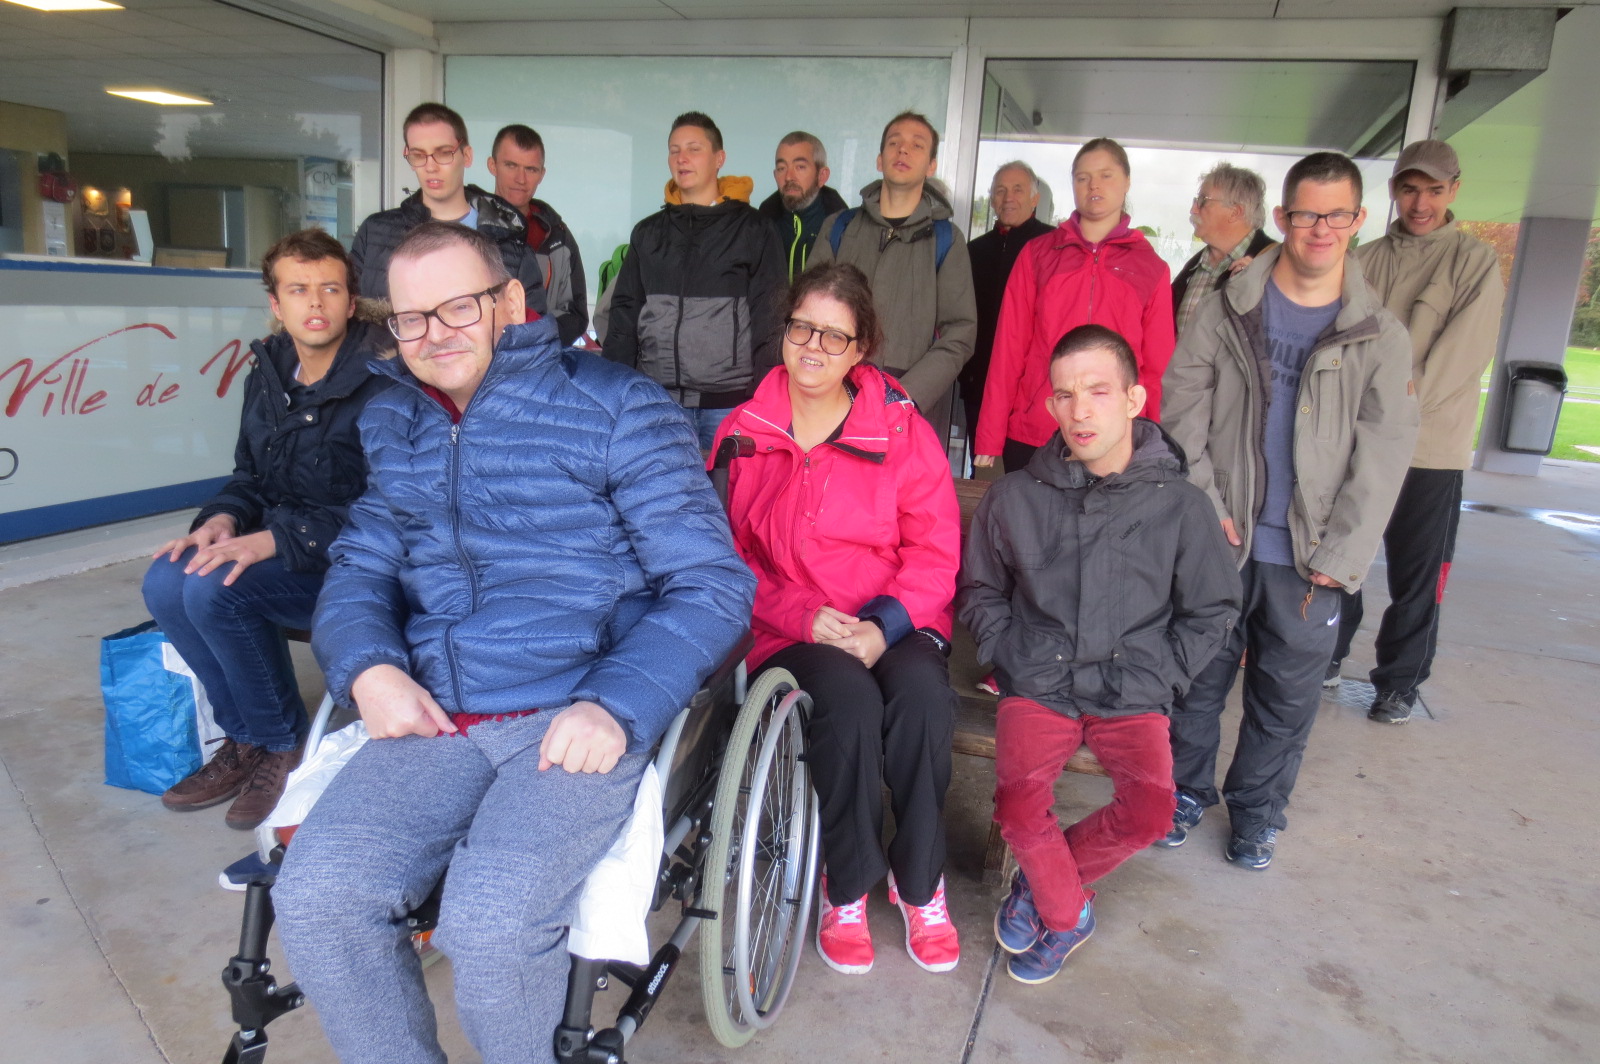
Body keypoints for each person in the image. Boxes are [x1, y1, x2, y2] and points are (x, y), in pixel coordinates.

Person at [271, 222, 755, 1064]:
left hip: (573, 708)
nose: (432, 334)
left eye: (457, 307)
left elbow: (712, 584)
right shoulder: (395, 422)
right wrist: (369, 668)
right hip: (435, 707)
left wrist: (616, 702)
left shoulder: (616, 407)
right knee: (316, 895)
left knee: (491, 921)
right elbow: (357, 568)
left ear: (511, 304)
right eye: (410, 318)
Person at [1159, 152, 1418, 871]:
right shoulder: (1227, 306)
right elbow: (1183, 409)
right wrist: (1206, 508)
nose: (1320, 228)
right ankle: (1181, 793)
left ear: (1359, 221)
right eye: (1307, 213)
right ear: (1283, 218)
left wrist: (1342, 555)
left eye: (1337, 214)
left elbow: (1386, 451)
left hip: (1308, 558)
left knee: (1285, 698)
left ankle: (1256, 816)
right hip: (1222, 537)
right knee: (1194, 681)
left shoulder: (1379, 335)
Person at [959, 324, 1240, 984]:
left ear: (1135, 399)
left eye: (1098, 391)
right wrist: (1008, 652)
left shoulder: (1180, 506)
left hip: (1133, 686)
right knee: (1020, 807)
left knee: (1151, 811)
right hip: (1040, 677)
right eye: (1064, 395)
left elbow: (1214, 610)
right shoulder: (1016, 497)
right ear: (1050, 407)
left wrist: (1163, 672)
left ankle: (1039, 888)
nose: (1080, 410)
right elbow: (979, 588)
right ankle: (1067, 914)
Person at [713, 261, 963, 976]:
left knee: (921, 701)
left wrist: (883, 625)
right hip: (793, 626)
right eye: (802, 328)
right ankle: (845, 887)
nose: (813, 347)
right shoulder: (745, 431)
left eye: (834, 335)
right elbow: (725, 559)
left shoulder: (901, 431)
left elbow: (936, 549)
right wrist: (804, 614)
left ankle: (921, 883)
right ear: (784, 330)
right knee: (847, 703)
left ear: (860, 350)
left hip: (891, 619)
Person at [142, 229, 391, 829]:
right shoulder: (269, 372)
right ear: (275, 305)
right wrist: (222, 521)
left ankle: (281, 742)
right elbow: (249, 474)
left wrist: (274, 540)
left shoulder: (384, 379)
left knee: (215, 588)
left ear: (351, 302)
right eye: (298, 290)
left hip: (357, 566)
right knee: (165, 578)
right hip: (283, 547)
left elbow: (391, 506)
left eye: (330, 289)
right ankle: (245, 738)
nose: (315, 303)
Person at [1326, 140, 1505, 724]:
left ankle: (1399, 683)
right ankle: (1325, 655)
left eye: (1432, 190)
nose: (1419, 202)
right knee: (1338, 554)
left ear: (1454, 190)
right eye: (1409, 189)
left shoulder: (1475, 262)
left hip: (1429, 449)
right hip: (1356, 445)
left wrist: (1389, 412)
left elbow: (1461, 354)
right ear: (1394, 191)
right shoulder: (1365, 258)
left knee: (1418, 575)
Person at [975, 138, 1174, 474]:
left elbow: (1157, 371)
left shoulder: (1151, 268)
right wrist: (990, 435)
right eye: (1083, 177)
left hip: (1115, 436)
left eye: (1106, 175)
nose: (1093, 185)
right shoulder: (1038, 255)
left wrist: (1154, 443)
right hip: (1038, 429)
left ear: (1126, 182)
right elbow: (1008, 351)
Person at [605, 111, 787, 449]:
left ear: (719, 158)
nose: (681, 158)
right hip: (657, 401)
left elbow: (772, 317)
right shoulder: (648, 232)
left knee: (727, 501)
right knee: (659, 499)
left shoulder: (754, 229)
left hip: (729, 404)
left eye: (693, 149)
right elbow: (625, 313)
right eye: (674, 150)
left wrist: (764, 397)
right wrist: (616, 391)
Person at [809, 111, 977, 449]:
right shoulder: (838, 227)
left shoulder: (946, 239)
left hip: (906, 411)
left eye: (917, 145)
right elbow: (808, 312)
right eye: (894, 143)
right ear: (879, 158)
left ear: (931, 166)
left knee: (897, 501)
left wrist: (905, 396)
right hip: (831, 396)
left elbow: (960, 332)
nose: (903, 151)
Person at [349, 102, 546, 314]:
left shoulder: (512, 247)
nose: (430, 166)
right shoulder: (375, 232)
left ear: (467, 156)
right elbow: (348, 319)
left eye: (443, 153)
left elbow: (533, 337)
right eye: (418, 155)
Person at [963, 161, 1054, 445]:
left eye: (1018, 189)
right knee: (984, 469)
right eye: (1000, 190)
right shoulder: (974, 251)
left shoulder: (1052, 246)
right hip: (981, 381)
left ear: (1035, 198)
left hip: (1034, 387)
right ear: (992, 199)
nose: (1008, 197)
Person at [487, 123, 589, 345]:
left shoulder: (557, 236)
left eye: (531, 169)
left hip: (541, 364)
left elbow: (575, 314)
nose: (520, 179)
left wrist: (537, 345)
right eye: (511, 165)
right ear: (492, 165)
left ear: (542, 174)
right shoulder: (469, 228)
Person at [1172, 162, 1275, 338]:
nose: (1193, 209)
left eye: (1203, 201)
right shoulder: (1193, 267)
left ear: (1235, 211)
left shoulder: (1273, 263)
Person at [757, 130, 849, 280]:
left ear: (822, 176)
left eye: (800, 167)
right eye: (782, 168)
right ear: (775, 175)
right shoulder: (762, 223)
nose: (789, 177)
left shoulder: (843, 227)